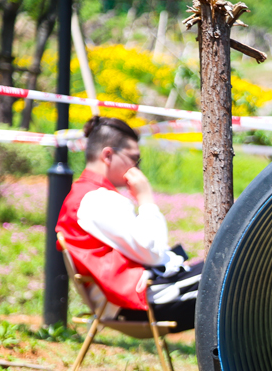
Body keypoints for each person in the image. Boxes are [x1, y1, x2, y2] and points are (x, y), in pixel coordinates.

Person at [56, 116, 201, 332]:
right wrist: (146, 200)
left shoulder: (85, 195)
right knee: (231, 273)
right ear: (108, 155)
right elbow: (152, 251)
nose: (136, 168)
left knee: (227, 269)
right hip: (139, 303)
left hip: (133, 298)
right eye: (134, 159)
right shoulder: (97, 200)